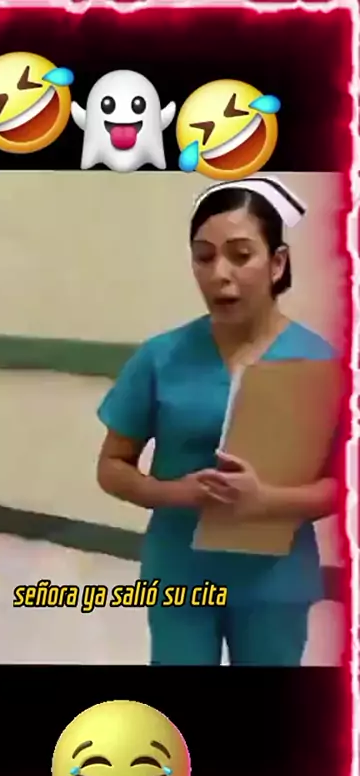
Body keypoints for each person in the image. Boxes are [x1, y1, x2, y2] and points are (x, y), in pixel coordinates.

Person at [96, 177, 341, 667]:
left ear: (277, 262)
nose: (219, 275)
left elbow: (341, 487)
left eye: (240, 255)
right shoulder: (160, 357)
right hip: (180, 575)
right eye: (203, 258)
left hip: (275, 581)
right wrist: (175, 493)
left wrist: (265, 501)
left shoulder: (320, 363)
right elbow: (112, 467)